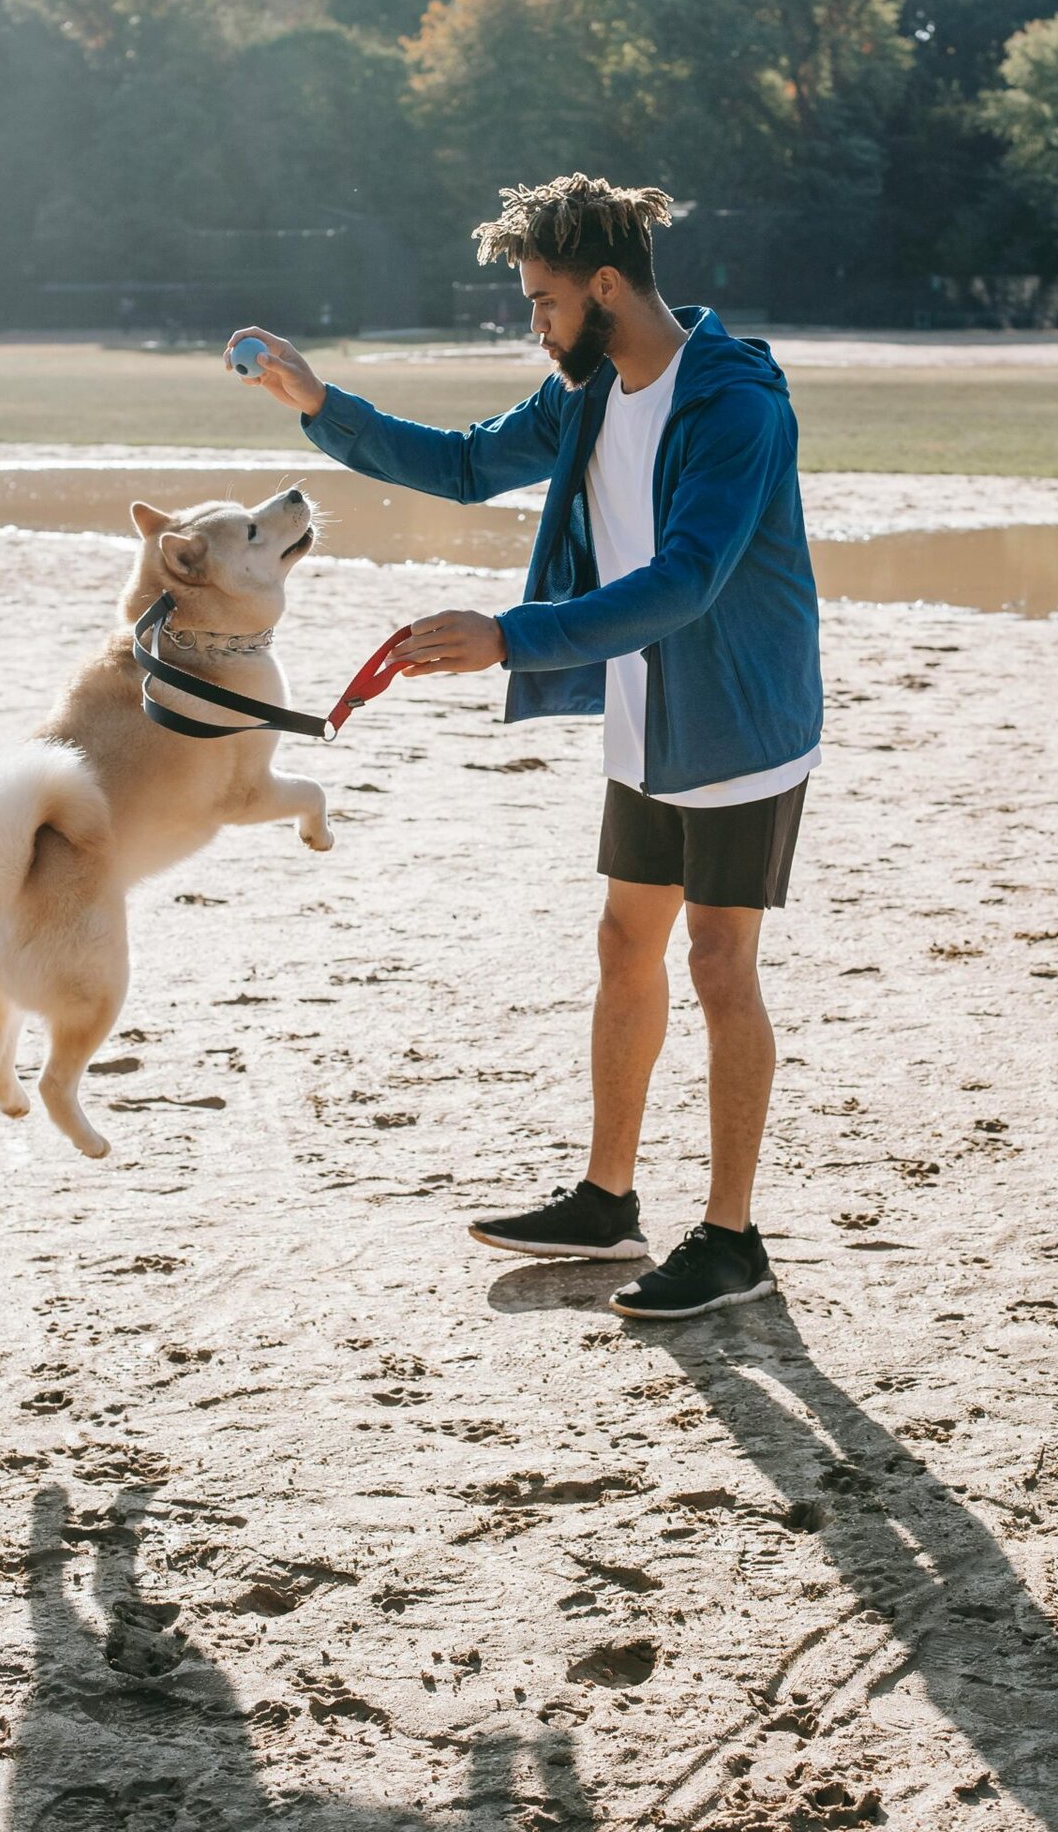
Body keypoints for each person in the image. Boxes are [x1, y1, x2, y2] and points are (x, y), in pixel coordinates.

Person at [226, 174, 822, 1320]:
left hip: (740, 714)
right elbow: (457, 465)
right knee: (622, 942)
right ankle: (607, 1202)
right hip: (650, 704)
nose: (534, 325)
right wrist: (317, 401)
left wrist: (510, 634)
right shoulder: (590, 390)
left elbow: (689, 580)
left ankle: (734, 1238)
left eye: (544, 301)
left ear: (606, 287)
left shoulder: (734, 403)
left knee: (716, 963)